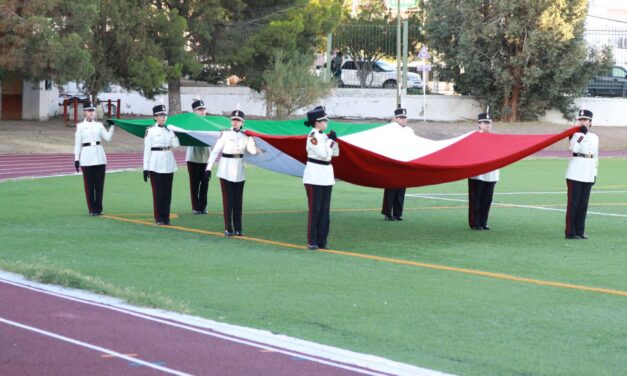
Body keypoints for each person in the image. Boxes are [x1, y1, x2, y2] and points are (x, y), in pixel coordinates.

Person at [205, 109, 258, 236]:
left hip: (239, 170)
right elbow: (215, 151)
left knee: (238, 201)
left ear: (242, 122)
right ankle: (228, 228)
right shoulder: (225, 134)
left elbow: (253, 152)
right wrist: (208, 168)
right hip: (225, 170)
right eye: (233, 120)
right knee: (228, 201)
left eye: (238, 120)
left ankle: (239, 228)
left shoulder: (246, 136)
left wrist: (251, 140)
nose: (235, 122)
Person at [303, 106, 340, 250]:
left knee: (325, 209)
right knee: (315, 209)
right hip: (314, 176)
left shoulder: (323, 136)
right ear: (317, 122)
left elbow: (335, 153)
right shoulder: (312, 137)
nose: (326, 123)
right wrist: (330, 142)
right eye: (324, 120)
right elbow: (324, 154)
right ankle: (312, 240)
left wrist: (333, 141)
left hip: (326, 175)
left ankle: (322, 240)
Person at [73, 100, 115, 216]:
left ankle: (99, 208)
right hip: (86, 158)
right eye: (89, 111)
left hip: (100, 157)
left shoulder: (99, 125)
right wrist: (76, 158)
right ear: (85, 112)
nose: (91, 113)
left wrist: (112, 126)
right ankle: (92, 209)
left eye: (93, 111)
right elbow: (77, 143)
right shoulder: (80, 126)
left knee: (99, 185)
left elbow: (108, 138)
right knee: (89, 186)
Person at [565, 109, 599, 240]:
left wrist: (595, 173)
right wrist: (581, 136)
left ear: (590, 122)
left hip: (589, 172)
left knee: (583, 204)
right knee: (573, 203)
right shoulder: (575, 134)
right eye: (580, 120)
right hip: (575, 172)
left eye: (585, 120)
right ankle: (570, 232)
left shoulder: (595, 137)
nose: (583, 122)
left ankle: (580, 231)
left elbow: (596, 156)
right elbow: (573, 149)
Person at [143, 104, 180, 225]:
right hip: (155, 164)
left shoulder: (169, 130)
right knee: (158, 192)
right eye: (160, 115)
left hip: (168, 163)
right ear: (155, 117)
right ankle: (159, 217)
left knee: (167, 193)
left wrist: (173, 132)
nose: (163, 117)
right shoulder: (150, 131)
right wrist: (145, 168)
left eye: (164, 115)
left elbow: (176, 145)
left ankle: (166, 216)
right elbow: (147, 149)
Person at [468, 112, 499, 230]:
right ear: (479, 124)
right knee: (476, 199)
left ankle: (483, 222)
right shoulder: (473, 137)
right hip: (477, 174)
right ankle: (474, 223)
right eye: (485, 123)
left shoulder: (495, 138)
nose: (487, 125)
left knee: (487, 200)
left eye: (489, 123)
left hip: (491, 174)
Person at [381, 107, 412, 221]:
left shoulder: (409, 130)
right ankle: (388, 213)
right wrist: (391, 124)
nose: (404, 120)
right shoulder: (390, 129)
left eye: (405, 118)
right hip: (392, 162)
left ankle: (398, 213)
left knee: (401, 189)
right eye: (401, 118)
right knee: (391, 188)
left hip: (404, 162)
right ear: (396, 119)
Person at [186, 99, 211, 214]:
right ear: (194, 111)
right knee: (194, 184)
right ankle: (195, 207)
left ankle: (203, 206)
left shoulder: (209, 123)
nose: (202, 111)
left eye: (203, 109)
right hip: (193, 158)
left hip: (206, 158)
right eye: (199, 109)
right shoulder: (190, 122)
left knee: (205, 184)